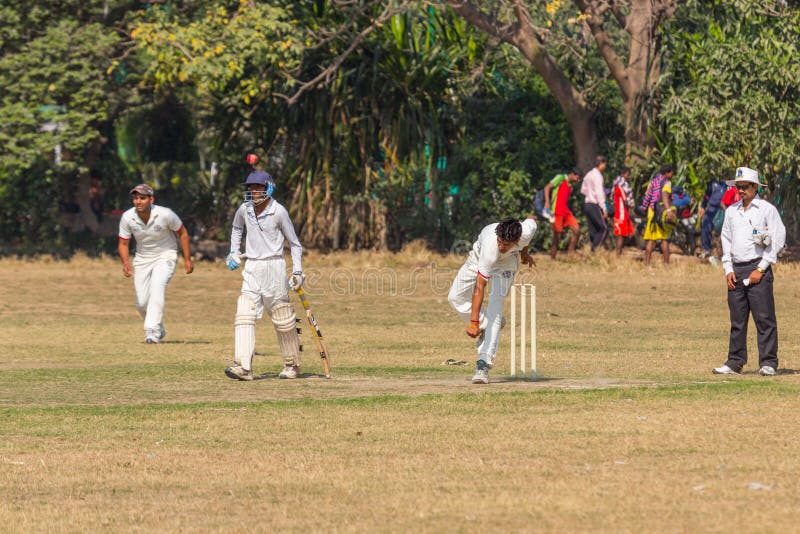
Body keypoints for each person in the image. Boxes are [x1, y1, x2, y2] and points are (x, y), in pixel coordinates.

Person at [224, 170, 305, 381]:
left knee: (282, 317)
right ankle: (243, 367)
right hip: (251, 267)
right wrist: (233, 251)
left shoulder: (279, 212)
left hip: (274, 266)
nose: (253, 191)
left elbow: (295, 244)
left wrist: (297, 271)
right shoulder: (245, 209)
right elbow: (236, 229)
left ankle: (292, 364)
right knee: (244, 312)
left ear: (268, 188)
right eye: (250, 187)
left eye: (258, 187)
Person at [713, 167, 786, 376]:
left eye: (745, 187)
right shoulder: (731, 211)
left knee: (764, 318)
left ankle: (769, 362)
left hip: (758, 268)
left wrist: (761, 268)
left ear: (755, 187)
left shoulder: (766, 210)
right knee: (737, 319)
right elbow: (725, 239)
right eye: (738, 187)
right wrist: (728, 269)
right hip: (737, 268)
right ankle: (735, 362)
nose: (741, 190)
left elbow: (778, 238)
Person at [448, 217, 538, 384]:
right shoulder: (491, 248)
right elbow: (479, 287)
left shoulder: (526, 231)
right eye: (500, 241)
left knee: (495, 307)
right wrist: (474, 321)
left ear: (517, 240)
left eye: (506, 244)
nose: (502, 246)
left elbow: (532, 221)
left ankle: (483, 363)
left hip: (506, 266)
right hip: (477, 260)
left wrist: (524, 253)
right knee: (455, 297)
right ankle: (485, 323)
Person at [118, 183, 194, 343]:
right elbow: (123, 243)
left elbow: (183, 233)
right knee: (141, 303)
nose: (138, 201)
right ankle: (159, 328)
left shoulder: (165, 214)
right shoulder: (127, 217)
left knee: (157, 287)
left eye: (142, 198)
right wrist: (125, 262)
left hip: (165, 255)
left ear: (151, 199)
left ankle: (152, 331)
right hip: (142, 259)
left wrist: (187, 258)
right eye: (136, 198)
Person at [641, 164, 677, 266]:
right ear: (667, 173)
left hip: (652, 213)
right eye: (671, 172)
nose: (672, 174)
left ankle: (647, 264)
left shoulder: (653, 181)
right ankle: (666, 264)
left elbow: (647, 197)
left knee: (651, 240)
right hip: (662, 213)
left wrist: (644, 208)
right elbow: (665, 196)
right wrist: (669, 209)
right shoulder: (667, 182)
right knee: (664, 239)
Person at [543, 168, 581, 259]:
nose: (578, 180)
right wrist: (547, 202)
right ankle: (553, 258)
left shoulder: (570, 185)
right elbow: (547, 187)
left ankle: (570, 254)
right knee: (557, 236)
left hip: (566, 211)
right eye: (577, 178)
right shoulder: (560, 178)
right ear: (572, 174)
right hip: (556, 211)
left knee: (577, 230)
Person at [580, 156, 608, 251]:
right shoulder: (598, 176)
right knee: (603, 228)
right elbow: (599, 193)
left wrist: (589, 194)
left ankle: (593, 247)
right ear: (602, 164)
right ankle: (594, 249)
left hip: (587, 203)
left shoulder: (588, 174)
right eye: (604, 164)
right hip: (594, 204)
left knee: (592, 228)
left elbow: (583, 190)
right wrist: (603, 208)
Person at [698, 177, 727, 259]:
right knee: (705, 227)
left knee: (722, 231)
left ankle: (722, 253)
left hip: (722, 210)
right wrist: (703, 206)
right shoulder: (712, 183)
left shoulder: (727, 184)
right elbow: (707, 195)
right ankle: (707, 249)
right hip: (711, 209)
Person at [612, 167, 635, 255]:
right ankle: (618, 254)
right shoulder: (620, 187)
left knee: (627, 234)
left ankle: (619, 252)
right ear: (622, 175)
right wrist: (631, 204)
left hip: (624, 213)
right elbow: (625, 200)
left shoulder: (618, 185)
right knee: (621, 236)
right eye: (627, 175)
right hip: (621, 214)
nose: (629, 177)